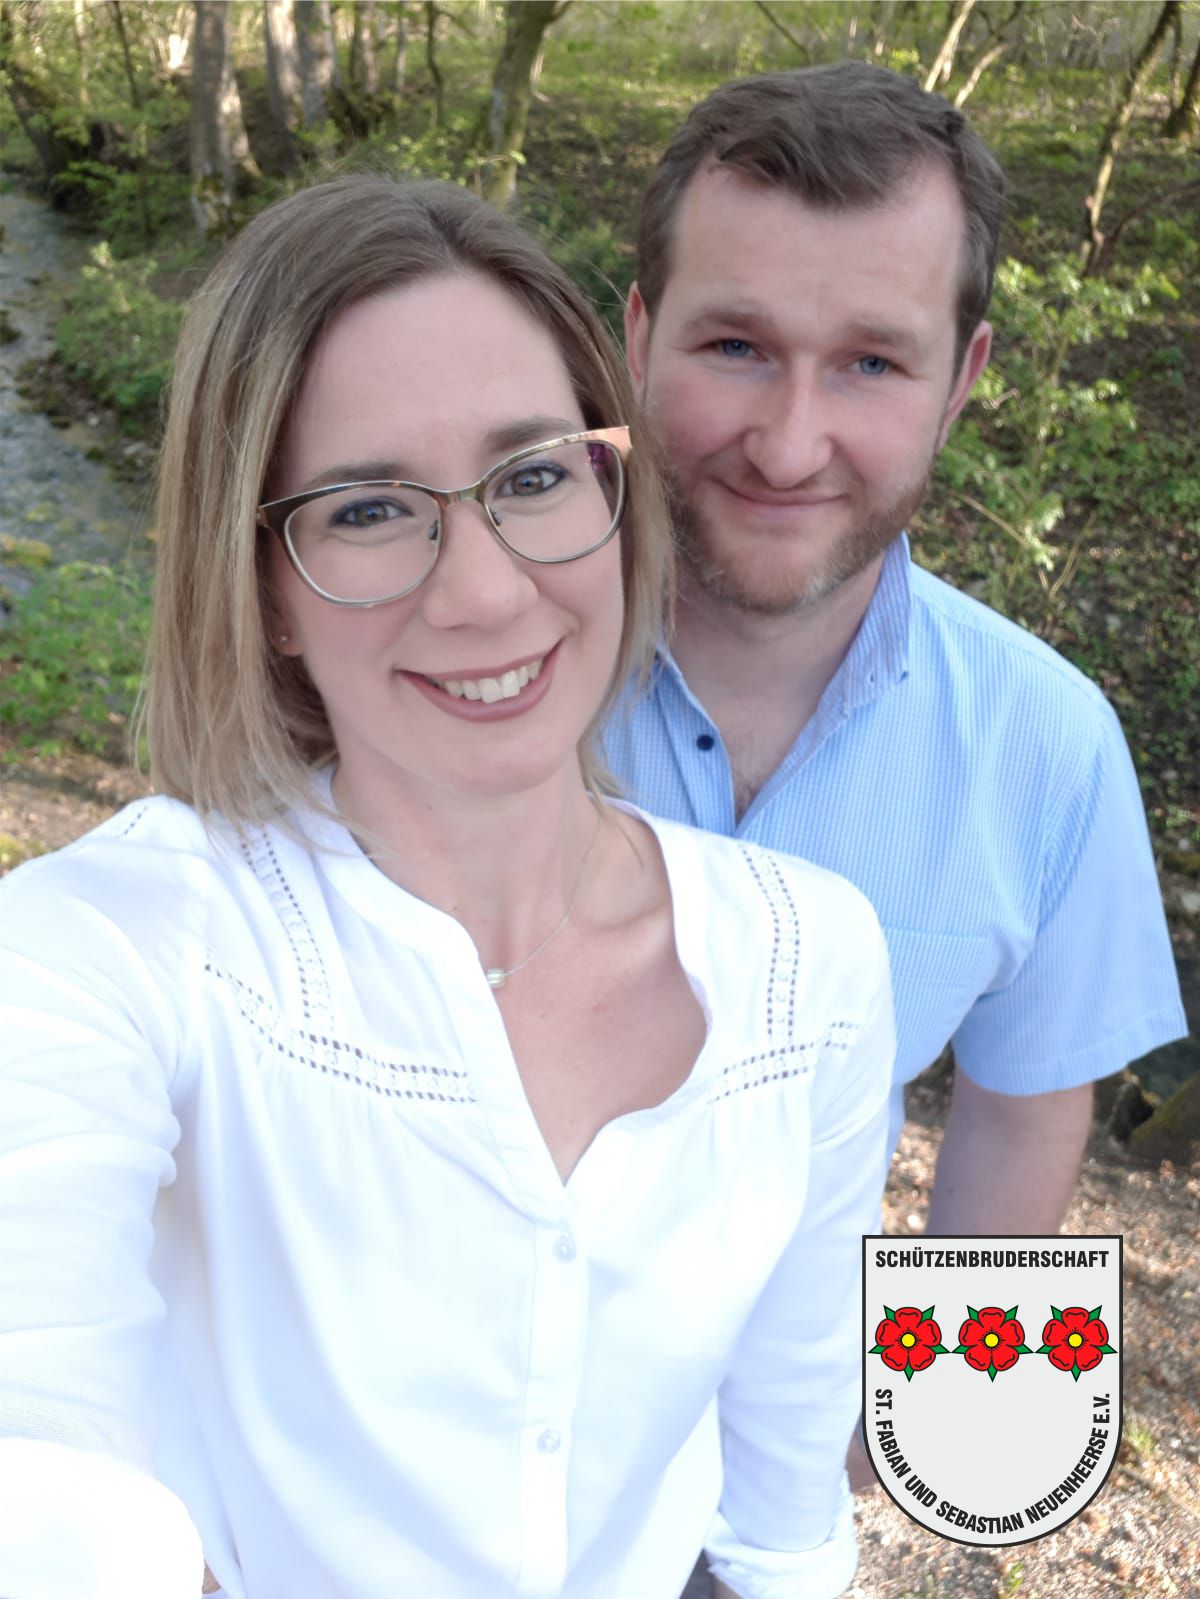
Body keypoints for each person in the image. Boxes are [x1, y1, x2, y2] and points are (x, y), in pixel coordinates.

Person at [0, 176, 894, 1599]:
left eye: (532, 476)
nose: (483, 592)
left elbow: (780, 1519)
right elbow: (38, 1468)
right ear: (264, 589)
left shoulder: (813, 959)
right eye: (368, 508)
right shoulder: (109, 951)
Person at [606, 61, 1187, 1240]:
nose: (788, 448)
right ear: (640, 337)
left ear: (962, 381)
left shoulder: (1053, 750)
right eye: (736, 346)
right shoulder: (450, 668)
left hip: (807, 1364)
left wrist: (946, 1378)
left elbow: (1024, 1118)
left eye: (871, 364)